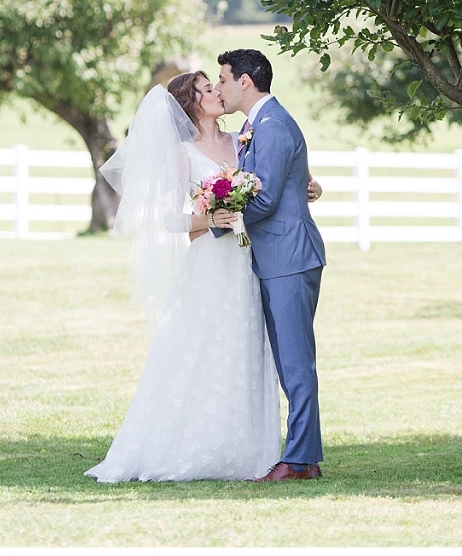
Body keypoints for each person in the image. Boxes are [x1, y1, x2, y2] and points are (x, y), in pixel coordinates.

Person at [84, 70, 322, 483]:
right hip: (211, 264)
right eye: (207, 89)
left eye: (216, 85)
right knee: (205, 350)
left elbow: (274, 180)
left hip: (251, 262)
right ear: (190, 105)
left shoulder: (242, 140)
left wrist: (308, 186)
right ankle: (197, 445)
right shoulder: (183, 153)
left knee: (247, 351)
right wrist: (211, 217)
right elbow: (168, 219)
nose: (217, 92)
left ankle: (248, 451)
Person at [212, 48, 326, 482]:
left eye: (223, 79)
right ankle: (305, 458)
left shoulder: (273, 125)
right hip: (276, 256)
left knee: (296, 365)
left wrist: (220, 221)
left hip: (289, 256)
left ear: (244, 81)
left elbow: (267, 199)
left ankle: (297, 461)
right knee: (290, 364)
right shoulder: (255, 125)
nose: (219, 88)